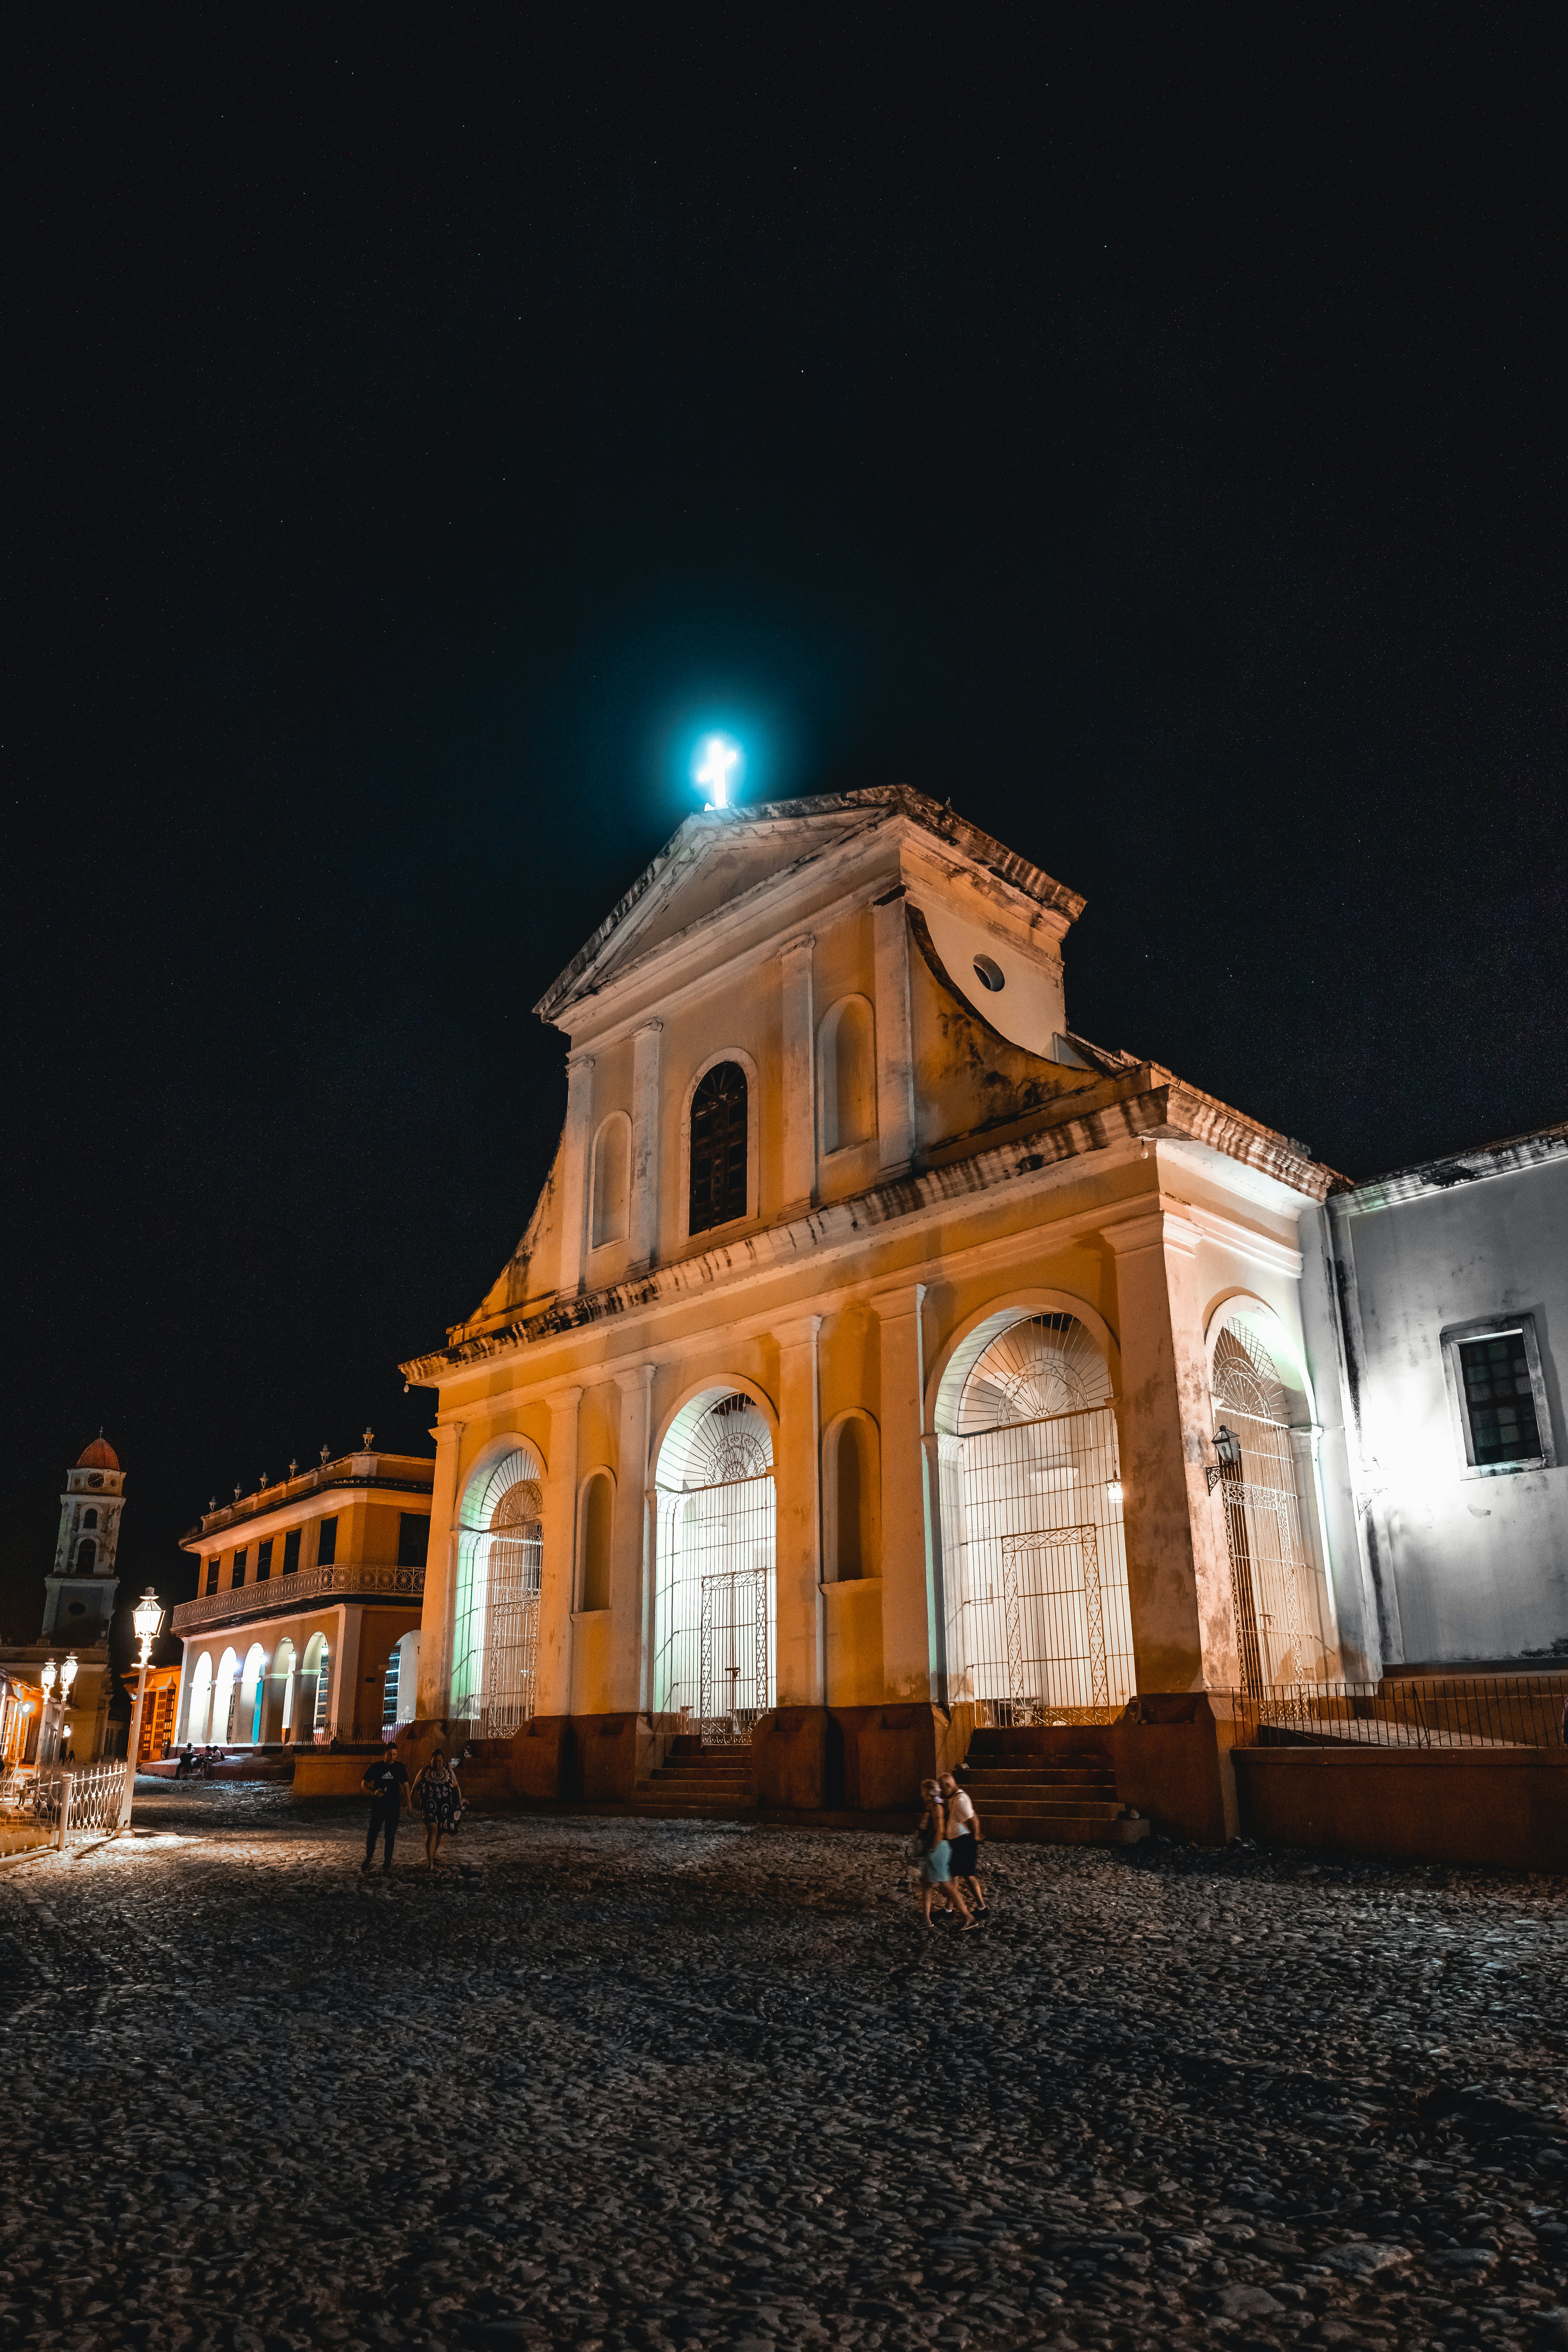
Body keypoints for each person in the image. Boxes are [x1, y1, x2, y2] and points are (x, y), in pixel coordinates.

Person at [916, 1777, 976, 1932]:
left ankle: (969, 1917)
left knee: (948, 1886)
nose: (921, 1793)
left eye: (923, 1790)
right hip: (938, 1849)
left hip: (939, 1850)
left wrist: (933, 1850)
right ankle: (926, 1919)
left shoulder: (937, 1807)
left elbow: (941, 1830)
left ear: (928, 1792)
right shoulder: (933, 1806)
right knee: (927, 1883)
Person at [939, 1770, 988, 1917]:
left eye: (943, 1788)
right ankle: (949, 1909)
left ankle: (982, 1908)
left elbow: (973, 1818)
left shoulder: (960, 1799)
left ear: (948, 1785)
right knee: (956, 1875)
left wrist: (976, 1837)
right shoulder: (956, 1797)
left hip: (963, 1842)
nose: (942, 1791)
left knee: (966, 1875)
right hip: (959, 1841)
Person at [361, 1747, 409, 1874]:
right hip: (378, 1807)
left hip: (394, 1807)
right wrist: (374, 1792)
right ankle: (369, 1857)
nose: (392, 1757)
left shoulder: (399, 1767)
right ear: (384, 1754)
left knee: (390, 1836)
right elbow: (364, 1784)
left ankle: (387, 1863)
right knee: (373, 1834)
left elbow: (405, 1784)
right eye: (390, 1754)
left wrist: (409, 1802)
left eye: (395, 1755)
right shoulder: (377, 1767)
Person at [412, 1749, 462, 1870]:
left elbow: (456, 1786)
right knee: (432, 1830)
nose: (437, 1764)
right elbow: (415, 1787)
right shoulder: (424, 1771)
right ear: (431, 1761)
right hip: (428, 1807)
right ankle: (430, 1864)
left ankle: (432, 1855)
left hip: (445, 1808)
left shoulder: (449, 1771)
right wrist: (410, 1803)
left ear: (443, 1761)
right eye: (435, 1761)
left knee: (440, 1832)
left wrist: (459, 1801)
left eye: (440, 1761)